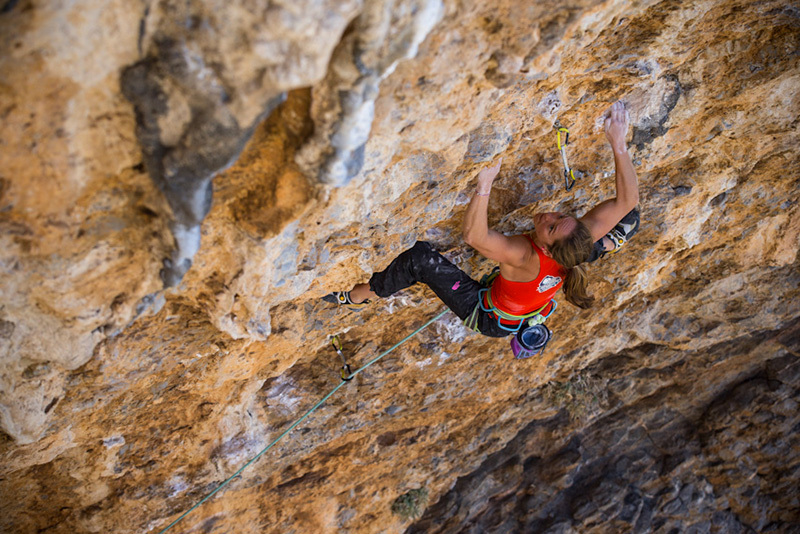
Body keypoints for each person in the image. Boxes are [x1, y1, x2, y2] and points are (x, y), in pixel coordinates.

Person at [323, 101, 640, 337]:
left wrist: (485, 184)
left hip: (489, 315)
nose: (549, 215)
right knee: (629, 217)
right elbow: (628, 200)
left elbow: (475, 237)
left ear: (547, 245)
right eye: (560, 216)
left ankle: (358, 296)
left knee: (420, 259)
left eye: (551, 226)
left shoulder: (522, 254)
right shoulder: (575, 238)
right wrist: (618, 142)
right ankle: (608, 242)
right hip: (535, 296)